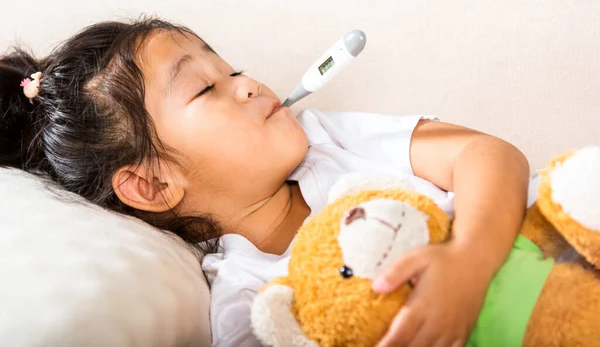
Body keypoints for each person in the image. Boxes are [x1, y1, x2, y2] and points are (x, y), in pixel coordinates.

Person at [0, 18, 530, 347]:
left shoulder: (326, 139)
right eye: (207, 88)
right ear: (154, 184)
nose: (248, 85)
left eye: (234, 70)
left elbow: (485, 153)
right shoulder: (247, 298)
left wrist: (470, 260)